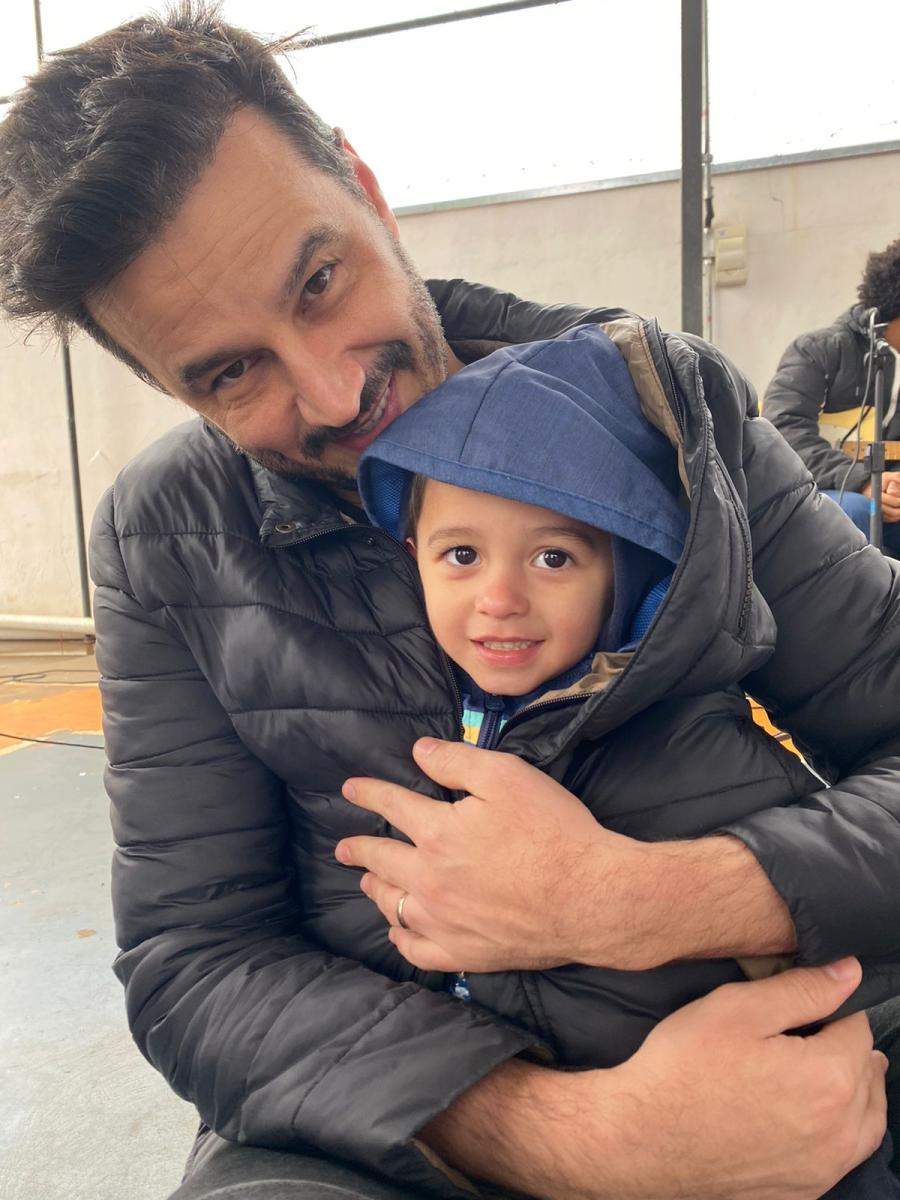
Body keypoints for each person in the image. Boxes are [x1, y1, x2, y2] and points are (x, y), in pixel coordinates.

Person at [0, 6, 897, 1199]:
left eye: (320, 281)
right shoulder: (166, 536)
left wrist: (643, 903)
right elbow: (195, 957)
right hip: (393, 1129)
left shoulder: (665, 417)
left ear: (364, 185)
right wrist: (578, 1137)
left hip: (786, 1042)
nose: (334, 394)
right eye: (230, 372)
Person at [353, 323, 900, 1197]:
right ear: (412, 557)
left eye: (553, 556)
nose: (499, 597)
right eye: (461, 554)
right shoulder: (417, 728)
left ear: (625, 571)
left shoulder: (706, 752)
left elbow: (832, 1001)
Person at [764, 237, 900, 555]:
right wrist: (864, 481)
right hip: (816, 488)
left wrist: (891, 484)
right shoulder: (817, 350)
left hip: (879, 492)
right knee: (856, 512)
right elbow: (782, 432)